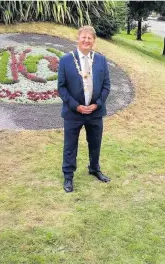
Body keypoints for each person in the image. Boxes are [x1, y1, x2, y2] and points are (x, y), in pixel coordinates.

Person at [58, 26, 111, 193]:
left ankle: (94, 168)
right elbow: (62, 88)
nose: (86, 40)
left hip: (95, 112)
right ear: (78, 39)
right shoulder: (66, 60)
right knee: (70, 145)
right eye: (84, 37)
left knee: (95, 143)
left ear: (94, 41)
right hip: (74, 113)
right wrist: (77, 106)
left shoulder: (101, 60)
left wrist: (97, 104)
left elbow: (106, 86)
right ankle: (68, 176)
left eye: (90, 38)